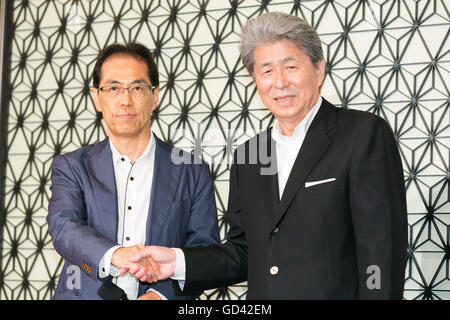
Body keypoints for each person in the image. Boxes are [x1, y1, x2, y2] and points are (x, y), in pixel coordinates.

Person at [129, 12, 408, 299]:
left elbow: (381, 250)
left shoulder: (362, 134)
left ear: (318, 69)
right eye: (266, 71)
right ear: (255, 80)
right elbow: (244, 253)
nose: (280, 82)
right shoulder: (249, 155)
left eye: (291, 66)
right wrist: (178, 262)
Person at [46, 42, 220, 300]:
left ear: (155, 96)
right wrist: (115, 254)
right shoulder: (72, 166)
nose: (125, 100)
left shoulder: (192, 171)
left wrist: (160, 296)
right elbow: (64, 227)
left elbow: (204, 253)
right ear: (97, 98)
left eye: (137, 88)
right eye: (113, 88)